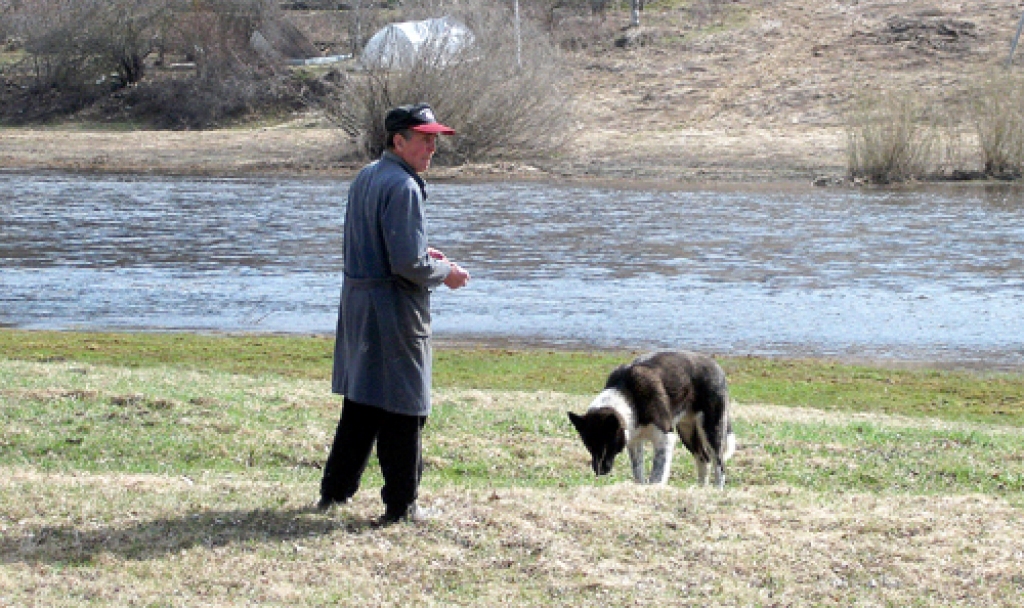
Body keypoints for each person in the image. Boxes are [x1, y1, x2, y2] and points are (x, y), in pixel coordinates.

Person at [318, 103, 470, 525]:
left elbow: (387, 248)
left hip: (359, 308)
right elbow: (409, 265)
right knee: (406, 408)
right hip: (394, 313)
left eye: (434, 139)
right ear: (398, 140)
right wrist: (447, 272)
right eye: (423, 138)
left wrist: (423, 253)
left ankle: (334, 493)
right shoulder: (403, 186)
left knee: (362, 403)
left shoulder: (367, 176)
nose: (431, 147)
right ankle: (402, 506)